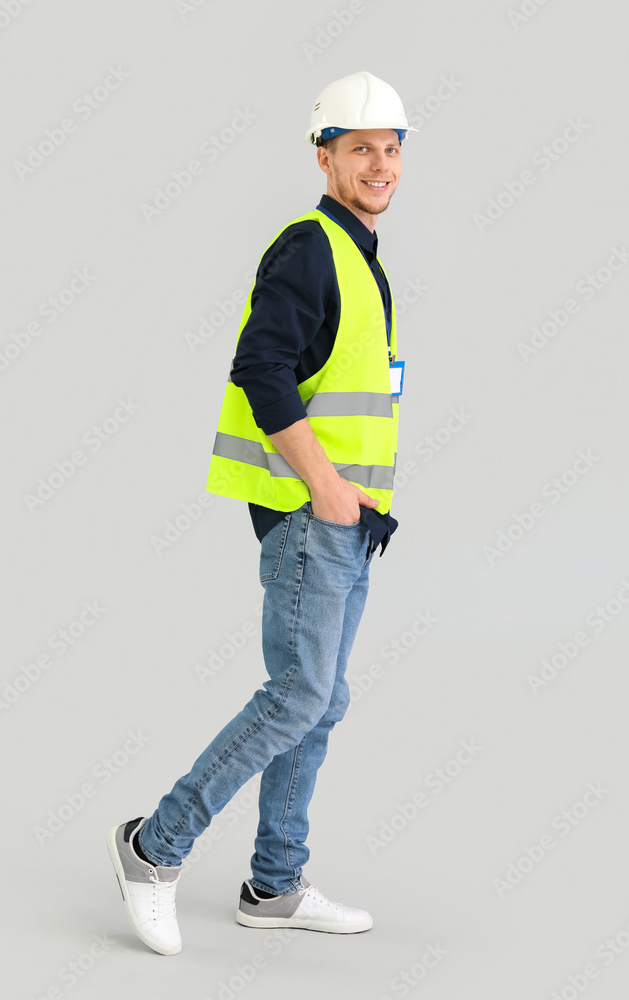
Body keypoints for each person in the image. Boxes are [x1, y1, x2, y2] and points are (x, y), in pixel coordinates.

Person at [107, 70, 415, 956]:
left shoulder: (360, 255)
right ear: (323, 157)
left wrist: (350, 503)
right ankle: (151, 850)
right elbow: (261, 367)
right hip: (309, 517)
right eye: (360, 148)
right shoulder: (310, 246)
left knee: (321, 701)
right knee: (296, 697)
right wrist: (322, 485)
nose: (380, 163)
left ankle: (274, 884)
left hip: (351, 523)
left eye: (391, 149)